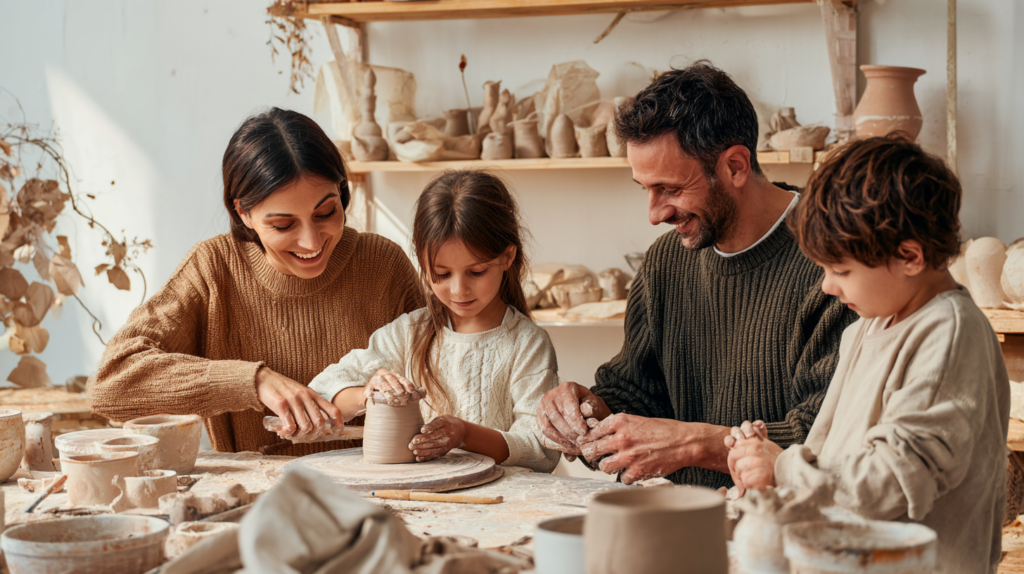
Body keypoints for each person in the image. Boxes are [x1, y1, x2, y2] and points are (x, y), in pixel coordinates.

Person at [536, 61, 859, 488]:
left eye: (670, 189)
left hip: (788, 526)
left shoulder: (837, 264)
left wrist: (693, 443)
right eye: (645, 189)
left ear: (736, 166)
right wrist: (587, 410)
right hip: (687, 516)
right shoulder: (666, 261)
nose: (654, 214)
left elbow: (828, 439)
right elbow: (638, 393)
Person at [725, 136, 1009, 573]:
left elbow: (890, 481)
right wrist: (766, 466)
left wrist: (784, 467)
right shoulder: (868, 327)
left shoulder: (949, 334)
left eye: (840, 270)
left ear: (909, 256)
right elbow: (828, 453)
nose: (827, 287)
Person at [88, 108, 424, 457]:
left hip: (377, 490)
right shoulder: (213, 269)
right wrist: (253, 381)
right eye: (283, 225)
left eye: (326, 213)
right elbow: (111, 386)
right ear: (242, 213)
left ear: (342, 191)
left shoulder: (383, 264)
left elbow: (443, 371)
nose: (311, 242)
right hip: (253, 496)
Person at [309, 170, 560, 473]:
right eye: (441, 274)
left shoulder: (527, 344)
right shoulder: (409, 333)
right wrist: (368, 393)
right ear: (422, 262)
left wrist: (465, 434)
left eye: (476, 271)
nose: (458, 290)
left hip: (499, 501)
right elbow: (322, 388)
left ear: (507, 257)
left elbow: (540, 447)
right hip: (422, 500)